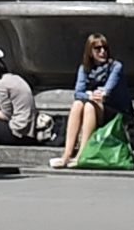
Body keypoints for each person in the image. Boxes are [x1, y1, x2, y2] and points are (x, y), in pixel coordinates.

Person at [53, 34, 126, 169]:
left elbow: (107, 91)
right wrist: (90, 96)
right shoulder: (84, 68)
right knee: (78, 104)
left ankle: (81, 155)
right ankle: (67, 155)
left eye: (105, 48)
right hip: (95, 105)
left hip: (114, 110)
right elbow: (77, 92)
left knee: (89, 106)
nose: (102, 51)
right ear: (90, 52)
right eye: (98, 48)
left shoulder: (116, 67)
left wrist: (96, 94)